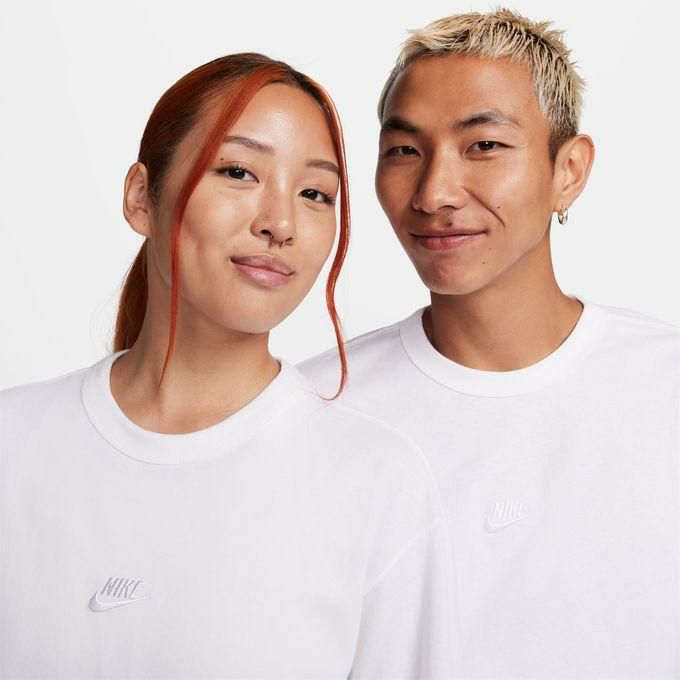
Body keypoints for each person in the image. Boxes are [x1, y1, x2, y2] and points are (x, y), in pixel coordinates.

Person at [0, 53, 455, 679]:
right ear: (141, 197)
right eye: (239, 172)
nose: (281, 224)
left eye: (315, 194)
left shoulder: (376, 481)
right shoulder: (14, 443)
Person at [298, 8, 679, 679]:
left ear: (569, 170)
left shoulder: (663, 384)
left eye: (483, 146)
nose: (435, 193)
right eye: (404, 151)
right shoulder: (312, 412)